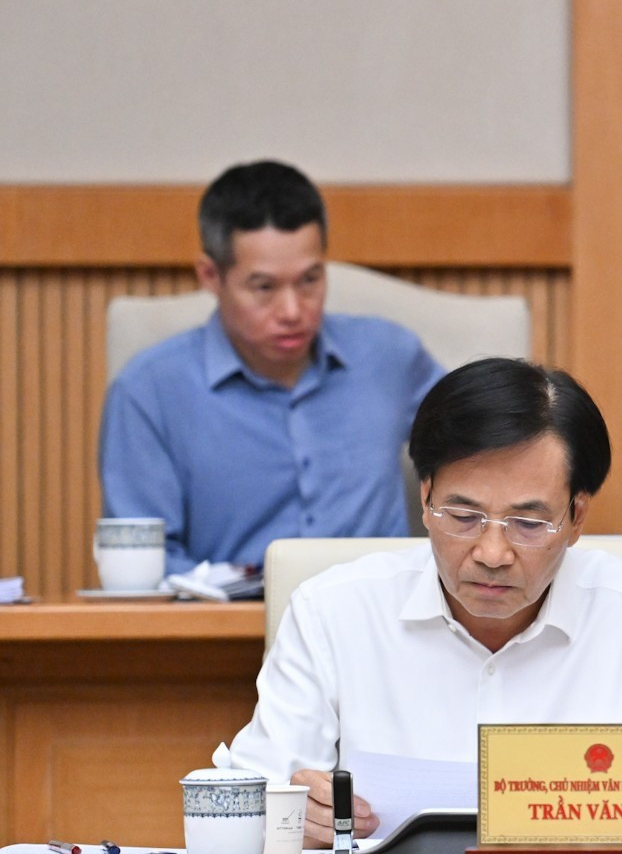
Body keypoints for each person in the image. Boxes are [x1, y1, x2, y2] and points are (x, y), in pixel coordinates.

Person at [229, 358, 622, 846]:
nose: (492, 553)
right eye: (463, 517)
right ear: (426, 498)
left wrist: (615, 808)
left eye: (528, 524)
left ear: (577, 517)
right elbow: (243, 806)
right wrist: (294, 816)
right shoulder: (333, 612)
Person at [99, 161, 442, 574]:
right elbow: (145, 567)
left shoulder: (390, 357)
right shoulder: (149, 391)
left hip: (379, 608)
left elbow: (487, 444)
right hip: (231, 612)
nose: (293, 311)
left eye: (309, 280)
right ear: (211, 276)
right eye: (264, 287)